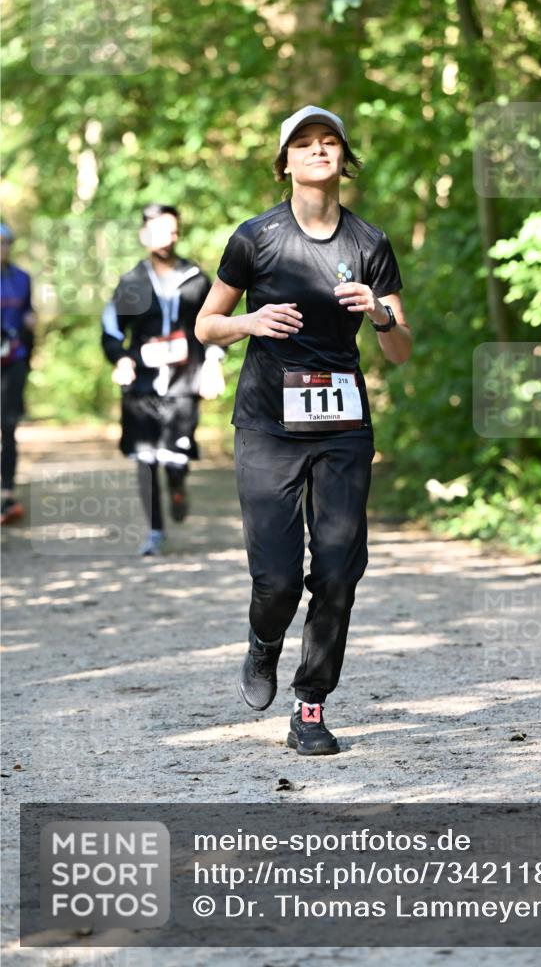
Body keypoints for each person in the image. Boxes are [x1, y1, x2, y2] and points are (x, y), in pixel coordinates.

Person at [195, 105, 412, 756]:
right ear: (284, 162)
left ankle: (310, 704)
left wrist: (377, 313)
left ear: (343, 160)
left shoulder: (368, 244)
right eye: (305, 144)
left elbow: (400, 349)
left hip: (343, 426)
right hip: (268, 426)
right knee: (278, 580)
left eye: (330, 143)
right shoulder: (255, 238)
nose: (319, 152)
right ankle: (263, 643)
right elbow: (207, 324)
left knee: (341, 568)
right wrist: (250, 324)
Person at [102, 204, 225, 555]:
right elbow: (112, 329)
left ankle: (178, 484)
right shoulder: (131, 282)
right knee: (144, 458)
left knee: (174, 457)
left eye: (173, 231)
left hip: (185, 381)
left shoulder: (197, 278)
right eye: (159, 231)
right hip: (141, 384)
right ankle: (154, 531)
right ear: (144, 236)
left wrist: (213, 362)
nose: (167, 238)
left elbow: (214, 323)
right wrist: (120, 358)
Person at [1, 223, 35, 526]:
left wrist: (29, 321)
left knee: (8, 426)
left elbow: (28, 314)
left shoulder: (22, 279)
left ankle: (7, 493)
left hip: (14, 360)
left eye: (4, 243)